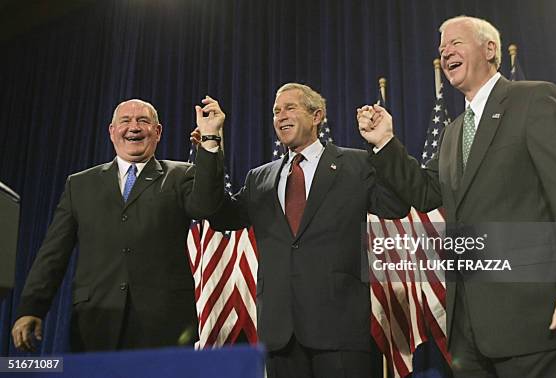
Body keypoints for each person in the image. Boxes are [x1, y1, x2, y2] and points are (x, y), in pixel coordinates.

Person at [357, 16, 556, 377]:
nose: (445, 52)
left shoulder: (533, 99)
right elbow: (425, 193)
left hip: (534, 321)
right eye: (442, 48)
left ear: (490, 49)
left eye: (455, 43)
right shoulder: (453, 132)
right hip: (468, 331)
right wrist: (384, 142)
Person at [191, 83, 407, 378]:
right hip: (281, 335)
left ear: (317, 115)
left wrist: (382, 144)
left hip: (340, 330)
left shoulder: (355, 164)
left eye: (290, 108)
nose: (281, 116)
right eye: (276, 111)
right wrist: (211, 143)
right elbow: (214, 213)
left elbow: (396, 206)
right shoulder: (260, 178)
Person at [12, 99, 215, 352]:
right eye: (125, 121)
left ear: (158, 132)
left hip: (164, 325)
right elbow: (53, 254)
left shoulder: (181, 175)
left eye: (143, 121)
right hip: (95, 323)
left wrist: (210, 147)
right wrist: (31, 307)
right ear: (111, 131)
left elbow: (208, 206)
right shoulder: (79, 185)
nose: (134, 127)